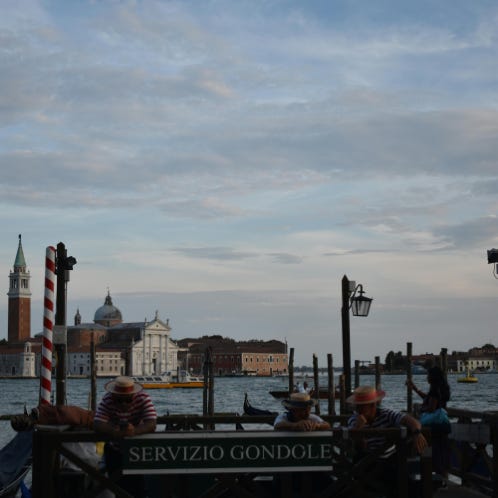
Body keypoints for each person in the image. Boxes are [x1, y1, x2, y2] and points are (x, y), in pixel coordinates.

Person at [94, 376, 157, 498]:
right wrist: (114, 432)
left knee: (137, 486)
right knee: (117, 486)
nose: (123, 404)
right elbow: (97, 423)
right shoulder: (107, 399)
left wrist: (133, 431)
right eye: (119, 400)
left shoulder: (143, 398)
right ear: (113, 396)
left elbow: (151, 423)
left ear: (134, 396)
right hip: (115, 448)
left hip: (137, 450)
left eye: (127, 400)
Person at [406, 366, 451, 483]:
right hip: (441, 426)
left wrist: (421, 409)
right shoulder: (439, 388)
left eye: (428, 375)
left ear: (433, 377)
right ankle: (443, 480)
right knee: (440, 454)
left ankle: (432, 480)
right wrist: (415, 389)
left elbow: (431, 407)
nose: (427, 377)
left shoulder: (435, 390)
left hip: (434, 428)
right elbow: (429, 399)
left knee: (433, 453)